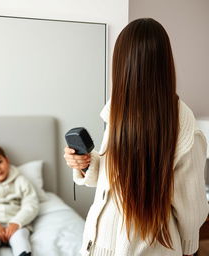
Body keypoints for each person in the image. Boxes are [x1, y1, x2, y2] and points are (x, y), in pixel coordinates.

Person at [64, 18, 209, 256]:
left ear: (121, 64)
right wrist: (84, 164)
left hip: (147, 247)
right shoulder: (117, 109)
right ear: (165, 64)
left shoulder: (183, 126)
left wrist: (189, 247)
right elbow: (112, 178)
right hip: (100, 242)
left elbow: (190, 209)